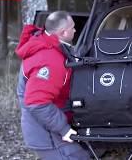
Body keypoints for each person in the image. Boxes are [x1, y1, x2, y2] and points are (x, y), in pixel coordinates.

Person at [15, 11, 90, 160]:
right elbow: (37, 102)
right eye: (73, 27)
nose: (75, 30)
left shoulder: (50, 45)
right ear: (63, 32)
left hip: (50, 122)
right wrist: (64, 129)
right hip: (45, 133)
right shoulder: (49, 60)